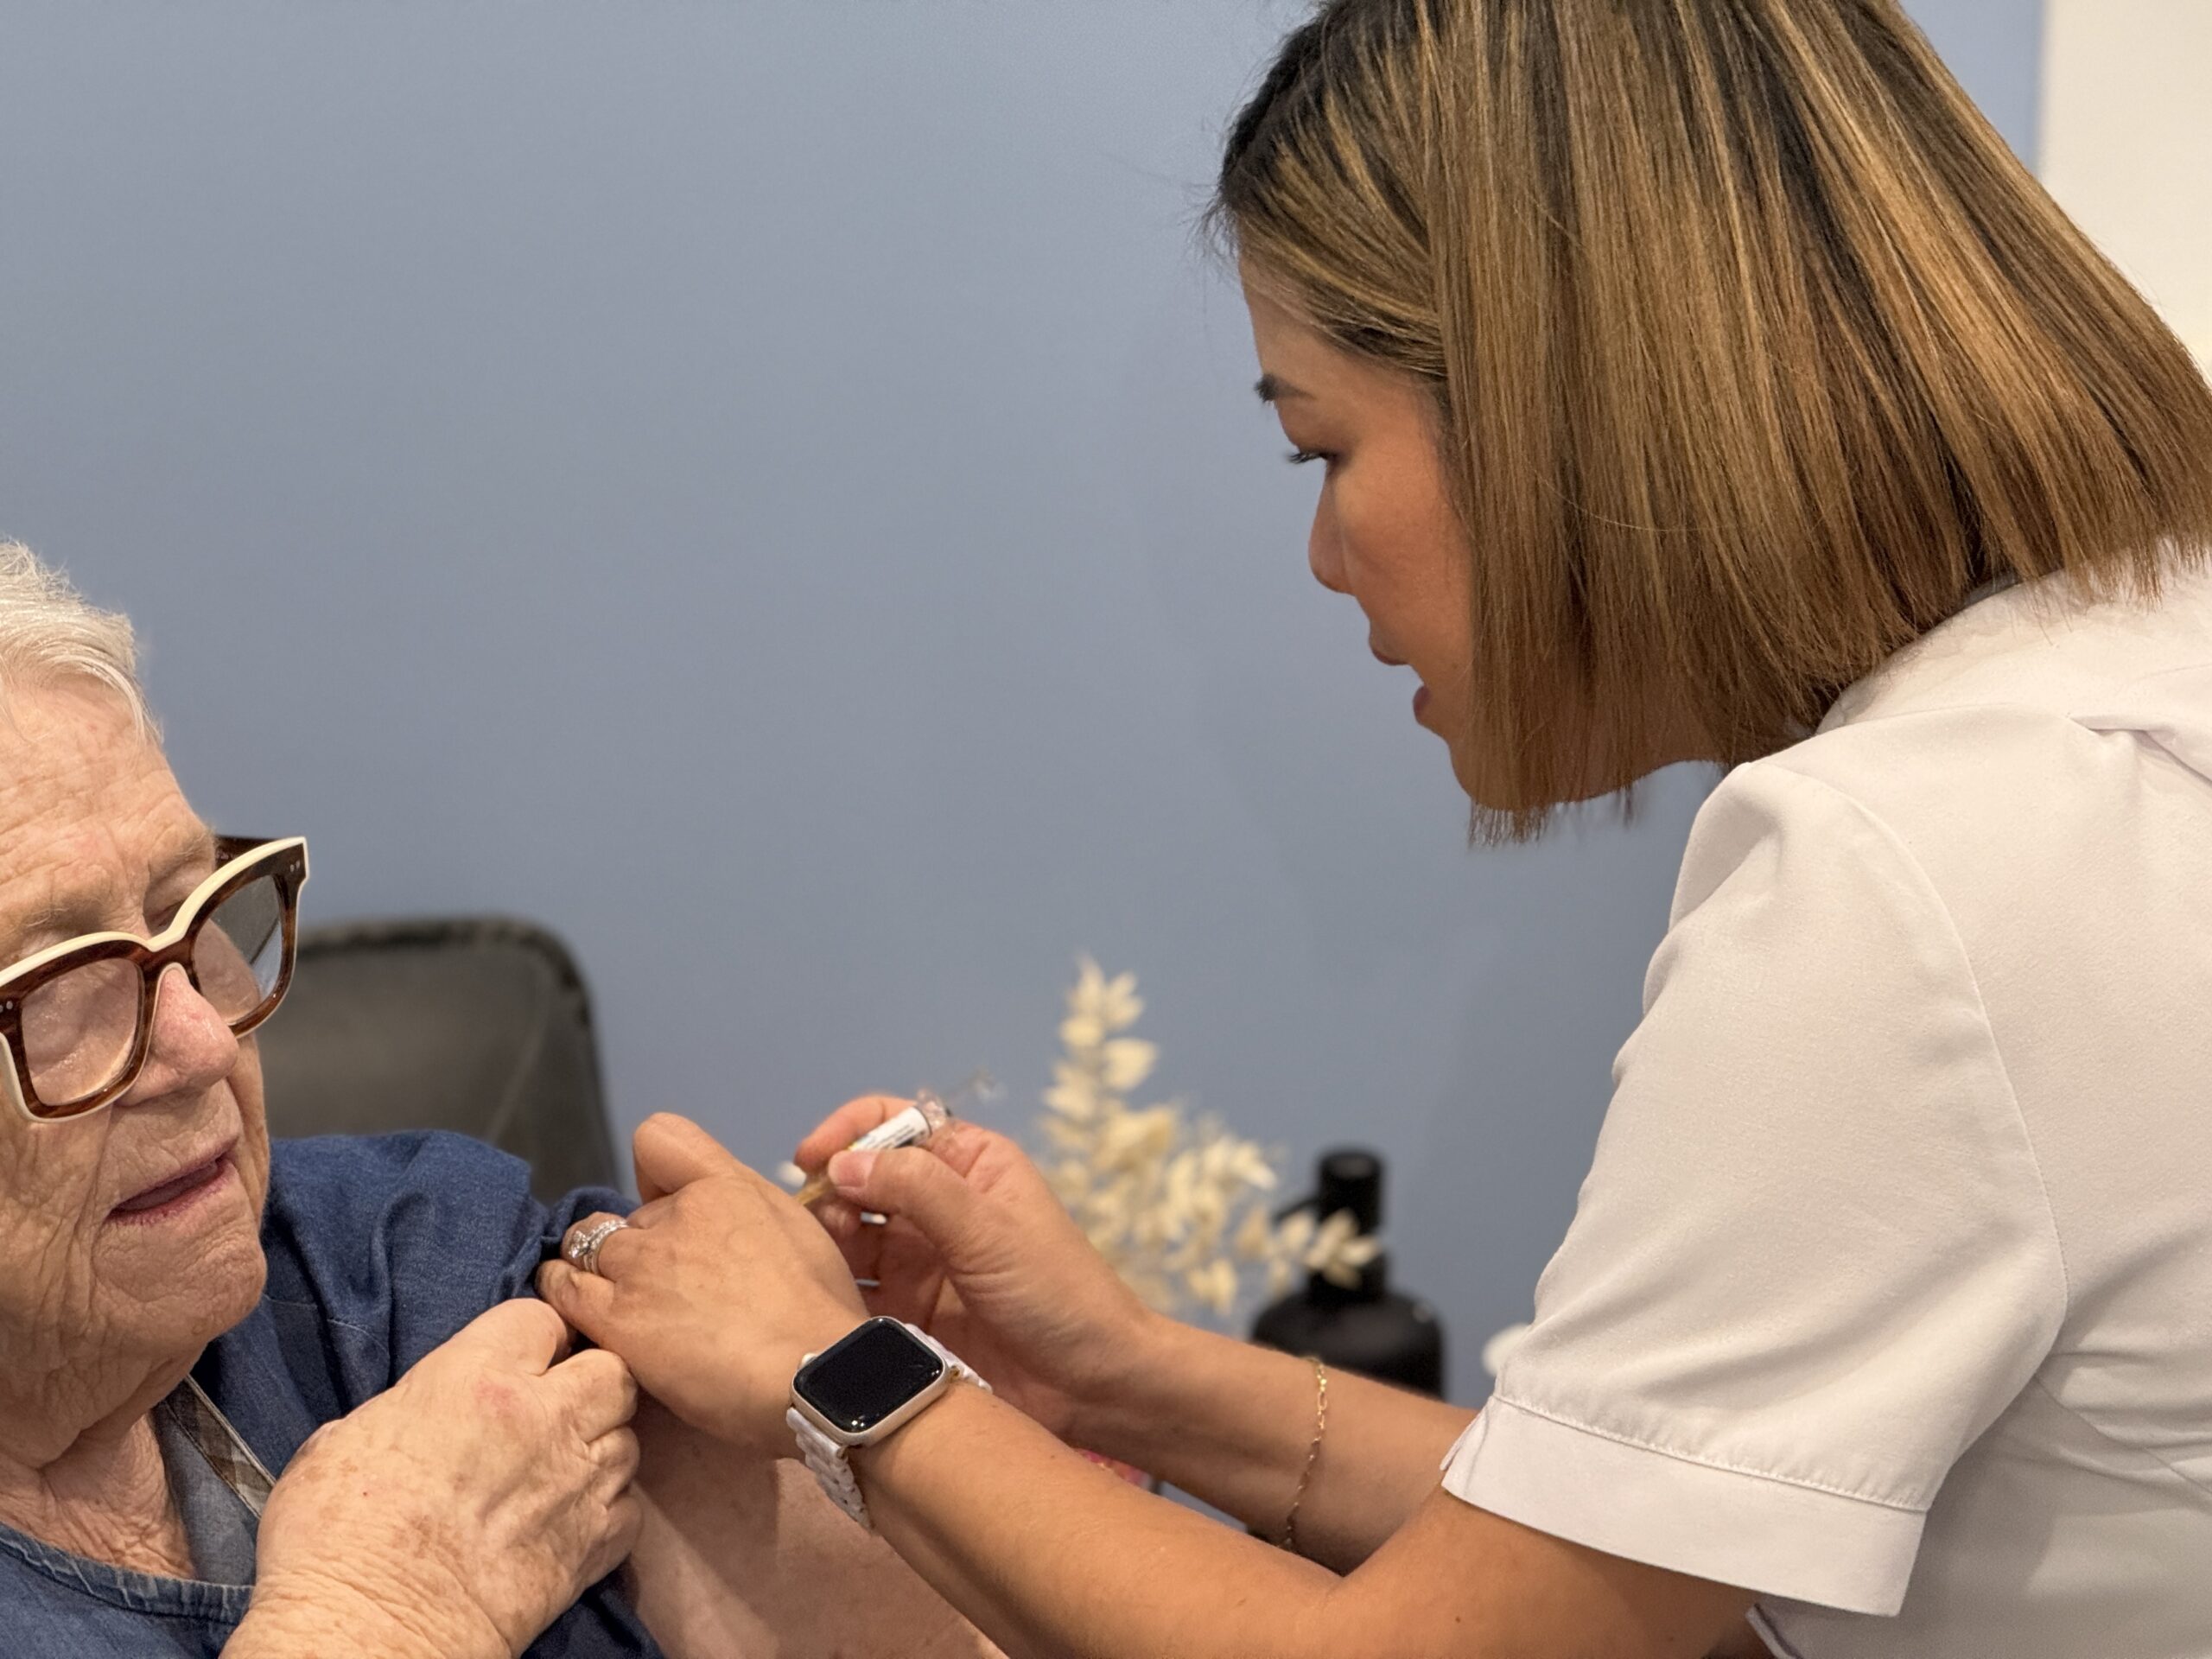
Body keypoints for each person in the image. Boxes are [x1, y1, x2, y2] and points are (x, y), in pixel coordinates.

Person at [534, 3, 2212, 1656]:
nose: (1327, 559)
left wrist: (827, 1372)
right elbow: (1608, 1544)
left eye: (1317, 447)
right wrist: (1122, 1374)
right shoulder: (2105, 710)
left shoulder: (1900, 886)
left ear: (1559, 396)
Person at [0, 541, 998, 1658]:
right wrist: (381, 1618)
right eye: (56, 985)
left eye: (193, 912)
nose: (198, 1039)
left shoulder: (381, 1265)